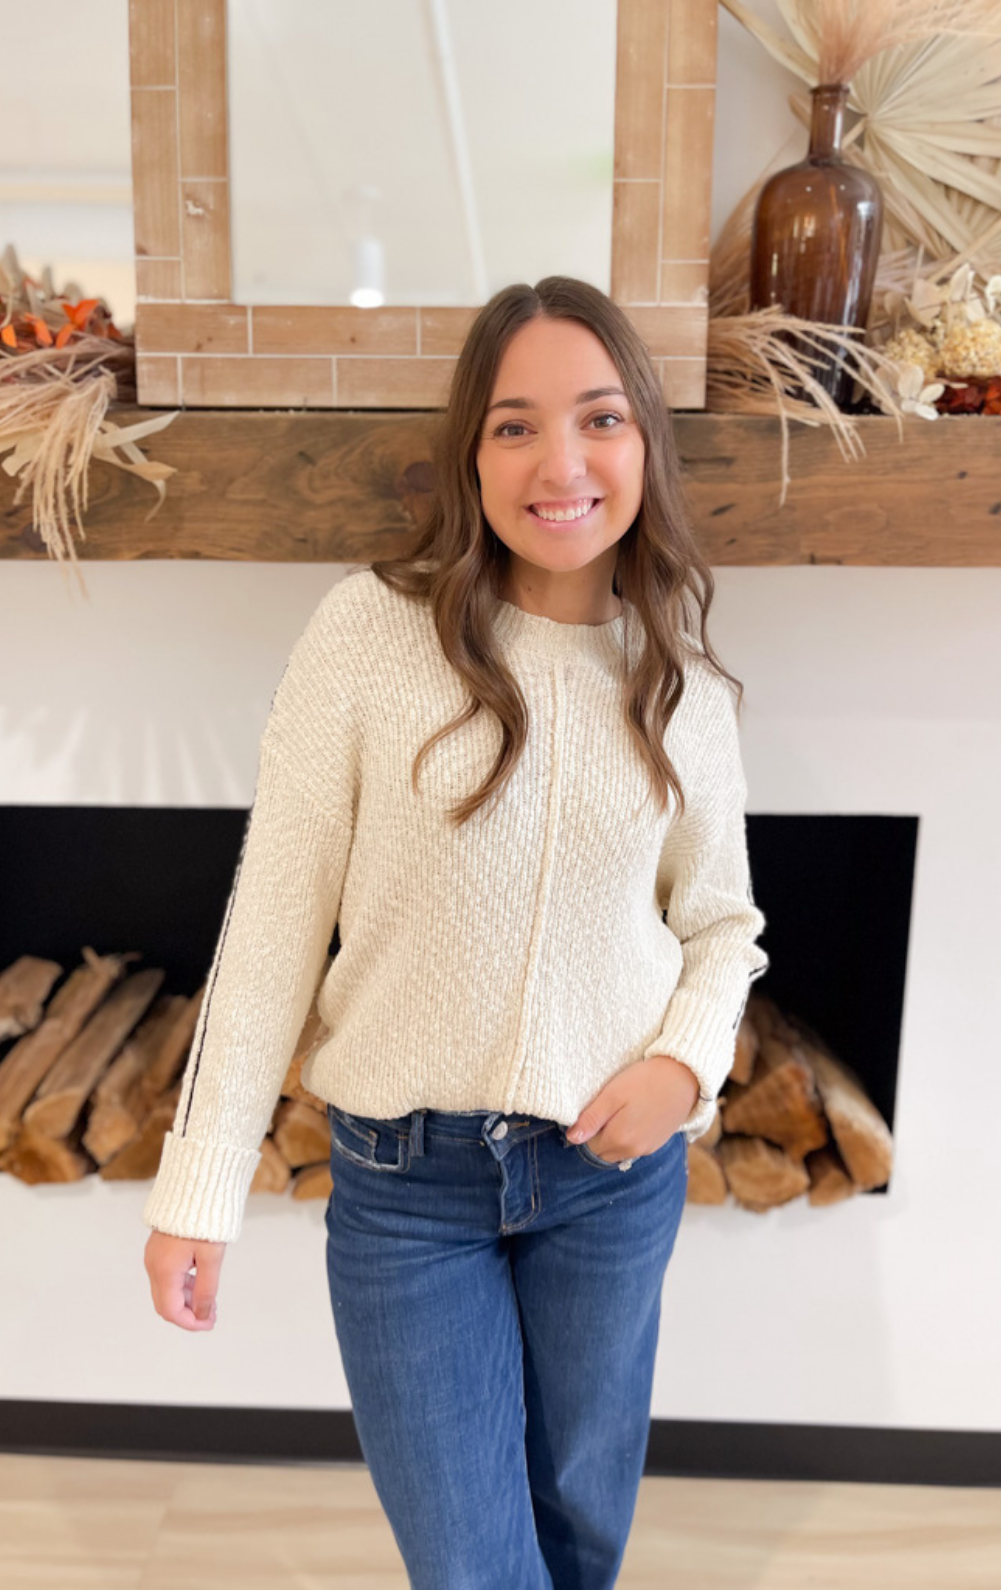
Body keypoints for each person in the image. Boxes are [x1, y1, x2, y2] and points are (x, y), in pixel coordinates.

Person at [143, 275, 769, 1589]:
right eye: (514, 425)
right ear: (470, 454)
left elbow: (722, 925)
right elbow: (272, 919)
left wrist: (685, 1065)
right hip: (406, 1190)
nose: (561, 463)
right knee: (473, 1566)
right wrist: (201, 1180)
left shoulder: (682, 678)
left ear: (644, 441)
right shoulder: (367, 635)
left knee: (579, 1536)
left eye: (599, 417)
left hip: (610, 1181)